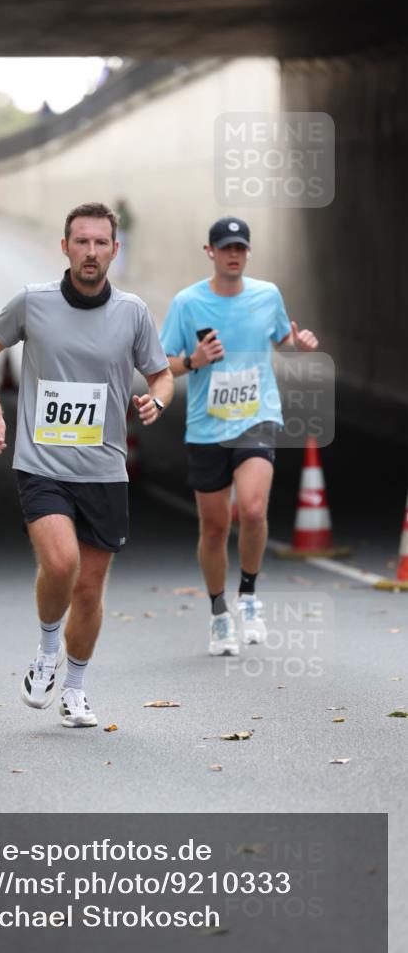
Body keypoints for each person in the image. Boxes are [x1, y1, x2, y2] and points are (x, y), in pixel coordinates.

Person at [0, 202, 173, 727]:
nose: (90, 252)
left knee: (89, 590)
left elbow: (161, 373)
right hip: (42, 463)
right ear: (65, 247)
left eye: (100, 243)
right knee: (61, 564)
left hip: (105, 470)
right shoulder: (33, 304)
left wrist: (159, 399)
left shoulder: (131, 313)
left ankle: (76, 689)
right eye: (81, 242)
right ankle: (44, 656)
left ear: (114, 249)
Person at [161, 216, 319, 656]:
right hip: (207, 425)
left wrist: (298, 343)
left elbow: (282, 339)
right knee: (214, 528)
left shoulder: (267, 295)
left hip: (256, 417)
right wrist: (194, 360)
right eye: (226, 247)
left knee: (251, 509)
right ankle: (218, 614)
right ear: (209, 252)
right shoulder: (187, 303)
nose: (234, 254)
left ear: (248, 253)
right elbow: (160, 365)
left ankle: (248, 596)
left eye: (241, 248)